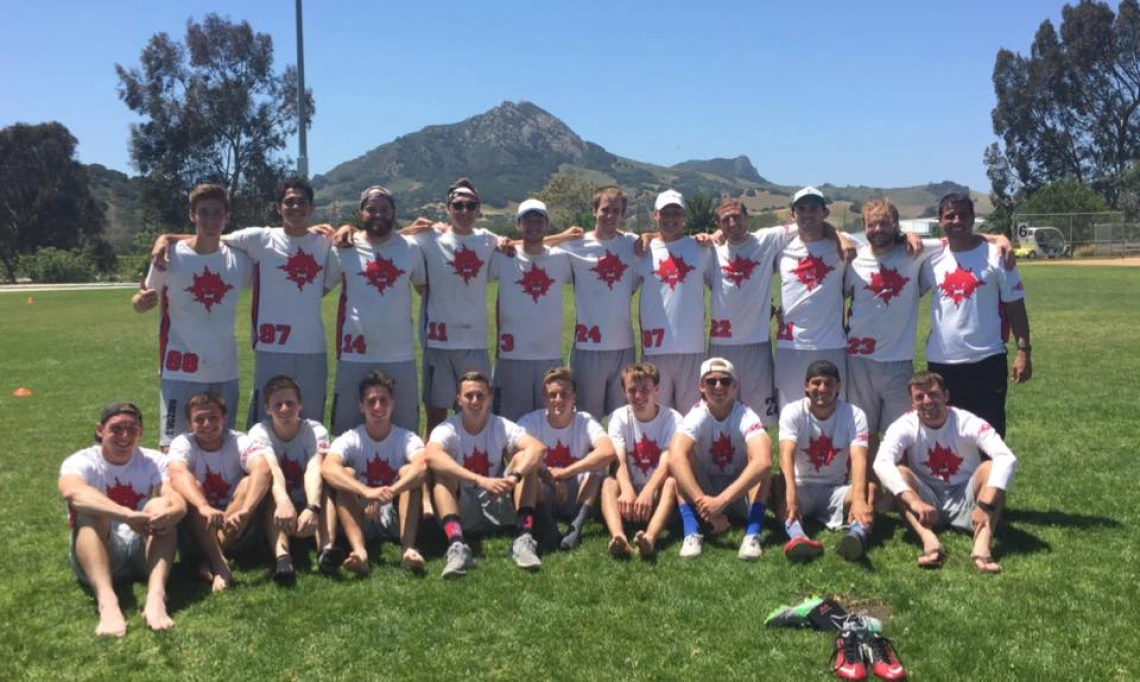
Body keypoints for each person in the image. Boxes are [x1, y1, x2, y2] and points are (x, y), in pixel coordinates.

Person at [845, 198, 1013, 452]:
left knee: (897, 436)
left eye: (884, 224)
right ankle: (867, 489)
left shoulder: (916, 252)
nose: (878, 230)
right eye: (872, 224)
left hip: (898, 360)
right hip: (858, 359)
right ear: (864, 226)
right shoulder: (853, 257)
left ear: (896, 226)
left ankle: (896, 491)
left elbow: (959, 234)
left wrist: (998, 238)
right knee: (863, 435)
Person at [132, 184, 252, 447]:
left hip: (224, 369)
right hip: (179, 368)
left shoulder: (239, 260)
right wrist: (140, 302)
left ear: (227, 217)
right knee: (173, 447)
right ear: (192, 215)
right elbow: (143, 301)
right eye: (203, 213)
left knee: (222, 446)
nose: (210, 220)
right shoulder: (170, 256)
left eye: (216, 213)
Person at [57, 403, 185, 636]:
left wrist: (177, 510)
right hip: (100, 552)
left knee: (161, 505)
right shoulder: (82, 461)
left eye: (132, 429)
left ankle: (156, 598)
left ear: (141, 432)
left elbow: (173, 493)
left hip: (142, 553)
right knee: (92, 511)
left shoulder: (153, 460)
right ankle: (107, 602)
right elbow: (72, 492)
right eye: (116, 429)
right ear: (100, 430)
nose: (125, 436)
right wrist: (125, 515)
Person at [874, 371, 1017, 573]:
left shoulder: (966, 421)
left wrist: (984, 505)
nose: (927, 401)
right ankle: (929, 541)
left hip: (966, 495)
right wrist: (915, 501)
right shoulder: (905, 424)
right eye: (919, 397)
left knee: (991, 469)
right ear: (912, 402)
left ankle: (982, 546)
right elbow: (881, 462)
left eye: (933, 394)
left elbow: (1006, 457)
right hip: (927, 500)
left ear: (946, 396)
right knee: (901, 473)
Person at [920, 192, 1032, 437]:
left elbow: (1016, 306)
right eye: (950, 216)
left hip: (987, 361)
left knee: (989, 435)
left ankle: (989, 477)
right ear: (940, 221)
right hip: (942, 362)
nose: (957, 221)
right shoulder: (931, 258)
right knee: (947, 435)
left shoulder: (997, 256)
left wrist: (1023, 350)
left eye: (963, 215)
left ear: (973, 218)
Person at [423, 371, 547, 576]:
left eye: (480, 395)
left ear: (490, 399)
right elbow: (430, 456)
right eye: (468, 396)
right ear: (458, 400)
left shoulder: (500, 424)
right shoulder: (448, 428)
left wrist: (513, 477)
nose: (475, 401)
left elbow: (537, 448)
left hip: (497, 499)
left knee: (524, 463)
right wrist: (479, 480)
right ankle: (457, 545)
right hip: (464, 506)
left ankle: (523, 538)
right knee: (442, 473)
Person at [324, 185, 426, 435]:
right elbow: (320, 288)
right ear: (361, 214)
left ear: (393, 212)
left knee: (405, 431)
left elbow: (425, 289)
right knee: (345, 432)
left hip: (399, 354)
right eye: (371, 209)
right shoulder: (343, 247)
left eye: (384, 209)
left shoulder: (411, 248)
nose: (378, 214)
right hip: (354, 354)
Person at [414, 179, 501, 437]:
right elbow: (385, 236)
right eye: (458, 206)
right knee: (436, 416)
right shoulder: (429, 238)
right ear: (448, 208)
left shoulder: (488, 240)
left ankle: (474, 467)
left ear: (478, 209)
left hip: (474, 342)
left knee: (476, 414)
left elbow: (527, 244)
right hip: (438, 343)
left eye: (470, 206)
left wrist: (564, 236)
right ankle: (433, 473)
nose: (464, 212)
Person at [320, 371, 429, 575]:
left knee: (409, 472)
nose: (378, 407)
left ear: (393, 404)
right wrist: (366, 491)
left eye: (383, 400)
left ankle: (408, 549)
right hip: (363, 514)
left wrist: (390, 491)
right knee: (346, 474)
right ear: (361, 406)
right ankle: (360, 552)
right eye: (371, 401)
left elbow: (422, 466)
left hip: (397, 513)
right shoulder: (352, 438)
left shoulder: (405, 437)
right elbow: (328, 468)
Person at [165, 392, 274, 591]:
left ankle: (212, 558)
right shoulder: (183, 443)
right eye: (199, 419)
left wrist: (247, 510)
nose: (207, 424)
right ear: (190, 424)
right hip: (198, 529)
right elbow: (177, 473)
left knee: (249, 483)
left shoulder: (239, 440)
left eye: (213, 417)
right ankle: (218, 563)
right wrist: (203, 506)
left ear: (224, 418)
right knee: (188, 489)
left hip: (237, 527)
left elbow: (262, 469)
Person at [667, 358, 774, 560]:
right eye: (711, 381)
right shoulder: (696, 414)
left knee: (762, 464)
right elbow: (675, 457)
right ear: (701, 386)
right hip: (704, 491)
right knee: (680, 461)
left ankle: (752, 534)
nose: (718, 387)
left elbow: (764, 461)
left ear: (735, 386)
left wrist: (721, 501)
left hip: (738, 490)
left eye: (725, 381)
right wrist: (709, 508)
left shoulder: (745, 414)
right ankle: (691, 532)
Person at [773, 360, 872, 562]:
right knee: (775, 485)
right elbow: (786, 455)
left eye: (829, 383)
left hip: (835, 489)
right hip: (802, 486)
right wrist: (791, 495)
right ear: (806, 385)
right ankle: (798, 538)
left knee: (869, 490)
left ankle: (855, 537)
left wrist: (859, 499)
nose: (822, 389)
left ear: (838, 386)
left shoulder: (854, 414)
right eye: (816, 383)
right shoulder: (793, 411)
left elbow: (859, 458)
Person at [706, 199, 794, 425]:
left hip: (757, 343)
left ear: (747, 217)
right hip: (721, 343)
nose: (732, 223)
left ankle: (760, 459)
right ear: (718, 224)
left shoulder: (766, 239)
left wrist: (840, 238)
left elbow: (809, 222)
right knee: (719, 410)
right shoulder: (711, 251)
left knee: (759, 417)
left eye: (737, 216)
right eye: (726, 220)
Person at [559, 186, 642, 421]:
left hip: (623, 346)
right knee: (587, 419)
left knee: (623, 419)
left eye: (616, 211)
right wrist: (561, 236)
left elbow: (663, 240)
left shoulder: (630, 243)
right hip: (588, 348)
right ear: (594, 210)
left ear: (623, 214)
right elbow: (529, 246)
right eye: (605, 210)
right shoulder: (575, 244)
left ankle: (620, 460)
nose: (609, 216)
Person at [247, 375, 339, 583]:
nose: (284, 409)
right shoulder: (259, 432)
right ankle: (282, 557)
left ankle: (326, 549)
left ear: (300, 405)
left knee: (325, 487)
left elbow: (314, 467)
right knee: (269, 490)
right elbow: (273, 470)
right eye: (277, 405)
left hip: (307, 494)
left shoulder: (315, 430)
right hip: (279, 499)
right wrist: (283, 501)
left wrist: (312, 507)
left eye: (290, 403)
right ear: (267, 409)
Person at [489, 200, 572, 420]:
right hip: (512, 355)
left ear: (547, 224)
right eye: (527, 220)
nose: (533, 225)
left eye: (539, 220)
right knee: (509, 424)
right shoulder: (503, 256)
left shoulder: (561, 258)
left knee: (552, 421)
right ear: (518, 225)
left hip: (549, 356)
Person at [518, 367, 616, 551]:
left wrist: (566, 472)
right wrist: (551, 479)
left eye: (564, 394)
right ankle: (548, 526)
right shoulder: (529, 422)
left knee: (597, 469)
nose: (558, 400)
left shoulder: (584, 420)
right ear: (544, 399)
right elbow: (517, 456)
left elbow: (608, 451)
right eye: (552, 395)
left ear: (574, 397)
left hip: (577, 491)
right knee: (528, 472)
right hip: (544, 490)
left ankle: (576, 526)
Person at [773, 187, 851, 410]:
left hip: (831, 343)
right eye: (802, 209)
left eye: (814, 208)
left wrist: (908, 235)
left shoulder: (843, 246)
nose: (808, 214)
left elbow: (882, 247)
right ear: (793, 215)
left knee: (834, 410)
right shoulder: (781, 247)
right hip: (791, 345)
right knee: (790, 412)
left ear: (825, 213)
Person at [637, 189, 714, 410]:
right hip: (655, 348)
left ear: (684, 216)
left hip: (691, 346)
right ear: (655, 216)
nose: (671, 218)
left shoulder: (702, 250)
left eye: (676, 213)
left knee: (690, 417)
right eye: (665, 213)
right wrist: (646, 236)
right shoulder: (643, 251)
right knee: (657, 415)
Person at [600, 363, 683, 559]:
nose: (638, 396)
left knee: (671, 482)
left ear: (656, 389)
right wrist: (627, 489)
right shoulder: (618, 417)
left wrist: (648, 491)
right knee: (608, 483)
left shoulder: (672, 419)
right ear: (624, 392)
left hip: (656, 494)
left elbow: (667, 462)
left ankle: (650, 538)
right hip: (627, 499)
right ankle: (619, 536)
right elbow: (618, 458)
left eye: (645, 389)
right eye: (632, 390)